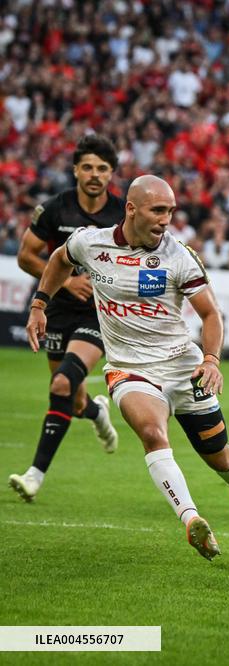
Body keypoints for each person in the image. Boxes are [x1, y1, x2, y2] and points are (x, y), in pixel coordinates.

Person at [25, 175, 229, 560]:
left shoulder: (179, 256)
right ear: (131, 209)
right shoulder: (91, 242)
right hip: (130, 369)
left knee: (218, 455)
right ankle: (191, 519)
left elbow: (211, 314)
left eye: (170, 211)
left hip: (183, 367)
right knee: (153, 433)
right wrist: (40, 304)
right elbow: (59, 259)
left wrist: (211, 359)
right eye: (158, 210)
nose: (165, 219)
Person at [9, 134, 122, 502]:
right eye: (87, 167)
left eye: (102, 168)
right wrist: (67, 282)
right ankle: (96, 412)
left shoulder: (123, 214)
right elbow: (26, 256)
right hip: (58, 311)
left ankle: (34, 475)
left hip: (100, 314)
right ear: (75, 170)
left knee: (61, 384)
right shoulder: (55, 209)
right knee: (72, 398)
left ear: (111, 174)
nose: (94, 174)